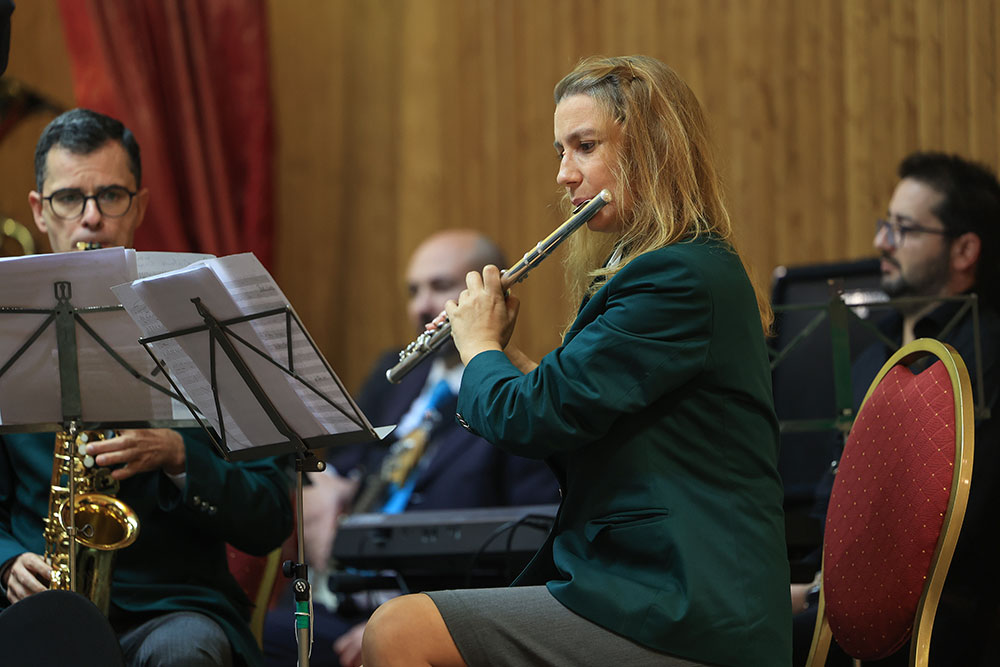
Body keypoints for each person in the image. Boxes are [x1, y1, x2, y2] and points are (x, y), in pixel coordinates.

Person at [361, 55, 791, 667]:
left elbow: (532, 420)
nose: (564, 174)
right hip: (643, 582)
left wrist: (478, 348)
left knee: (399, 631)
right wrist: (497, 350)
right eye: (561, 151)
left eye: (585, 147)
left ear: (652, 150)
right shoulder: (669, 268)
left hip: (685, 602)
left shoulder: (676, 278)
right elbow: (572, 410)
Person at [0, 108, 294, 667]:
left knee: (185, 653)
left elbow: (271, 515)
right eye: (69, 198)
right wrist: (7, 562)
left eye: (111, 196)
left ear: (140, 205)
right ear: (39, 210)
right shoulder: (3, 329)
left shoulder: (208, 323)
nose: (91, 218)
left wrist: (180, 456)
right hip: (35, 607)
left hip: (172, 609)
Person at [262, 229, 561, 667]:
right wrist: (326, 489)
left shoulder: (517, 398)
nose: (422, 306)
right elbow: (340, 462)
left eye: (440, 286)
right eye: (413, 291)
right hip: (341, 596)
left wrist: (403, 621)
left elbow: (528, 548)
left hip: (429, 610)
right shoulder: (396, 374)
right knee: (254, 634)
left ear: (490, 294)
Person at [791, 152, 1000, 666]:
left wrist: (817, 599)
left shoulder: (985, 354)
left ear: (964, 250)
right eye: (886, 224)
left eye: (904, 229)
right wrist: (807, 584)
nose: (883, 242)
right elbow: (832, 498)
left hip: (928, 612)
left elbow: (958, 525)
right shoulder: (871, 355)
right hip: (833, 592)